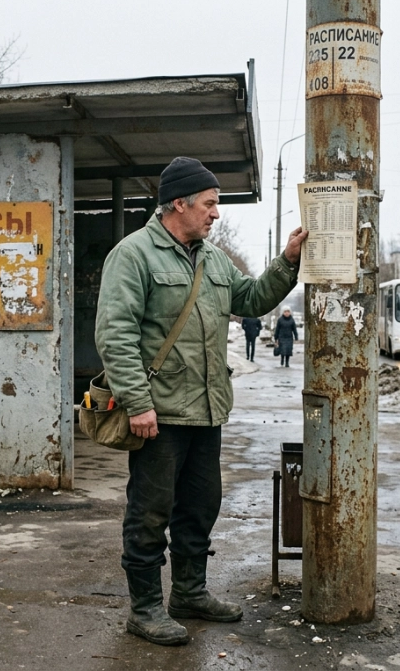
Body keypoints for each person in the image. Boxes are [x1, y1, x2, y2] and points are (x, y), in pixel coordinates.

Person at [95, 156, 307, 646]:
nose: (216, 213)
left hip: (206, 411)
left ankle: (189, 593)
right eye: (210, 204)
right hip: (159, 414)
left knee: (199, 508)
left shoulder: (213, 259)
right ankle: (144, 609)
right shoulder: (134, 255)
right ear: (179, 204)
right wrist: (137, 403)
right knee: (150, 513)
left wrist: (288, 260)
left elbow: (250, 300)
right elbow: (115, 335)